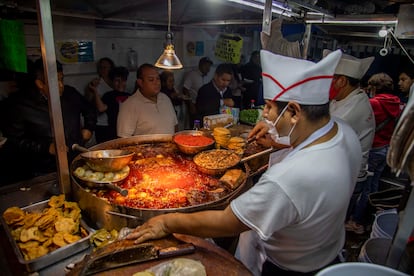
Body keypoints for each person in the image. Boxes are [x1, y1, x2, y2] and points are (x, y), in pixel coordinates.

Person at [126, 50, 363, 275]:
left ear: (294, 111)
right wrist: (276, 138)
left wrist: (167, 222)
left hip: (291, 269)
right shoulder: (344, 131)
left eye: (269, 107)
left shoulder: (289, 177)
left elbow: (227, 221)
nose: (265, 115)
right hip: (327, 249)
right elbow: (307, 141)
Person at [1, 59, 96, 184]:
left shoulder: (70, 94)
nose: (61, 85)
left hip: (75, 160)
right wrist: (45, 147)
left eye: (61, 79)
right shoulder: (20, 105)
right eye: (55, 81)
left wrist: (88, 128)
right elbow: (14, 141)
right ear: (40, 83)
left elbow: (89, 110)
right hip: (43, 170)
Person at [323, 50, 376, 231]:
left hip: (347, 177)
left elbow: (320, 135)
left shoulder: (352, 110)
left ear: (342, 81)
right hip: (339, 170)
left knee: (331, 224)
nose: (326, 83)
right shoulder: (344, 98)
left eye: (330, 78)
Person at [348, 73, 401, 233]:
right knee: (373, 185)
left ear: (375, 88)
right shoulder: (396, 103)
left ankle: (357, 222)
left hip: (373, 148)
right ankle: (364, 218)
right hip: (385, 148)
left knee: (363, 186)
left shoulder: (373, 104)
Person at [117, 63, 177, 137]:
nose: (157, 83)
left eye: (158, 79)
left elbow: (175, 126)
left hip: (169, 147)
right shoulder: (129, 105)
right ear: (140, 82)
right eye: (151, 80)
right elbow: (123, 139)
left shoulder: (165, 98)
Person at [91, 66, 130, 141]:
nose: (120, 83)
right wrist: (95, 91)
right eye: (117, 81)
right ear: (112, 82)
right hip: (113, 133)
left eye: (123, 80)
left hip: (129, 132)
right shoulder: (109, 95)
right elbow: (101, 108)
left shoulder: (130, 96)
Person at [85, 57, 115, 143]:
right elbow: (88, 100)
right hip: (101, 123)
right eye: (101, 67)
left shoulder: (116, 82)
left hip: (114, 122)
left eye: (105, 67)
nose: (103, 70)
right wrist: (92, 89)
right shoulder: (96, 83)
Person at [182, 57, 213, 128]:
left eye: (209, 66)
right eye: (206, 66)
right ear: (200, 65)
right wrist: (190, 104)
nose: (208, 68)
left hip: (206, 105)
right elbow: (185, 89)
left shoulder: (208, 76)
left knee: (205, 125)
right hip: (195, 104)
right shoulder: (192, 74)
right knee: (195, 124)